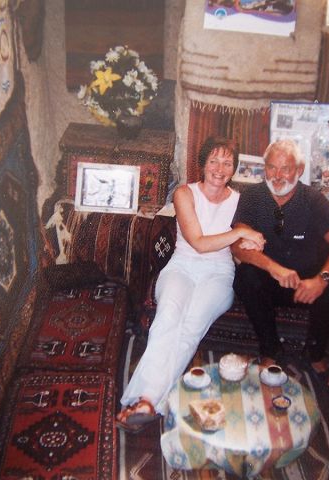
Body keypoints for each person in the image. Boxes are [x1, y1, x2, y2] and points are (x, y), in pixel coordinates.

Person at [116, 136, 265, 431]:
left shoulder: (240, 202)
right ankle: (149, 401)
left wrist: (251, 239)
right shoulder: (184, 193)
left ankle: (146, 400)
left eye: (227, 163)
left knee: (191, 326)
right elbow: (198, 242)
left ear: (234, 168)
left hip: (219, 274)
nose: (220, 169)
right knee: (167, 319)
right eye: (214, 161)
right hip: (181, 267)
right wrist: (238, 233)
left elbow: (253, 242)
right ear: (202, 163)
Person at [231, 139, 329, 391]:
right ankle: (271, 350)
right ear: (264, 168)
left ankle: (315, 355)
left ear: (299, 170)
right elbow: (238, 245)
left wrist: (320, 280)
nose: (277, 176)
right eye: (271, 167)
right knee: (245, 276)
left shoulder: (314, 199)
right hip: (271, 282)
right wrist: (274, 268)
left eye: (285, 169)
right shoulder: (252, 196)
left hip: (306, 285)